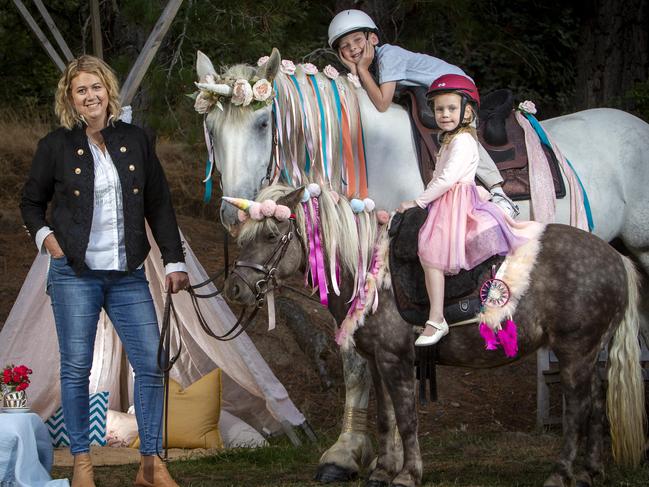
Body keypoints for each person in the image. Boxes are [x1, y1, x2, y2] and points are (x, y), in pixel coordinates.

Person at [20, 55, 188, 487]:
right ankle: (81, 463)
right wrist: (46, 238)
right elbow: (30, 202)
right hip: (74, 274)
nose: (90, 95)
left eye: (96, 87)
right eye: (81, 90)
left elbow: (159, 204)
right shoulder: (54, 146)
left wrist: (173, 259)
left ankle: (150, 464)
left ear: (108, 91)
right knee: (75, 368)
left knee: (151, 363)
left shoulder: (136, 139)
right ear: (70, 99)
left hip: (128, 273)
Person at [328, 9, 519, 218]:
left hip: (455, 85)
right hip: (434, 89)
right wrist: (356, 70)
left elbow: (382, 103)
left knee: (461, 134)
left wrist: (361, 70)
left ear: (373, 38)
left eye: (357, 40)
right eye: (344, 46)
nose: (353, 48)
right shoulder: (373, 65)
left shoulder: (388, 56)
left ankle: (498, 190)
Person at [397, 75, 538, 346]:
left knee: (430, 252)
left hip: (454, 200)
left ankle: (437, 318)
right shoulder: (450, 139)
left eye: (451, 108)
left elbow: (447, 179)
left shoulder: (462, 142)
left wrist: (418, 202)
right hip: (448, 199)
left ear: (467, 111)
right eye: (439, 109)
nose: (444, 114)